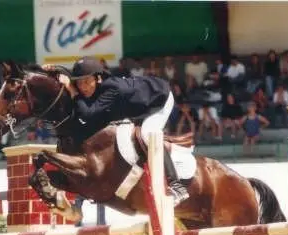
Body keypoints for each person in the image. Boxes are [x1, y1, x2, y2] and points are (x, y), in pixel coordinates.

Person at [43, 56, 188, 205]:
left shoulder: (112, 89)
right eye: (79, 83)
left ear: (97, 78)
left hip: (159, 98)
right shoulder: (94, 82)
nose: (84, 87)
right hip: (139, 104)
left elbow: (87, 113)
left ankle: (177, 186)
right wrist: (55, 69)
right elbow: (75, 78)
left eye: (87, 82)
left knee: (147, 134)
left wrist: (73, 91)